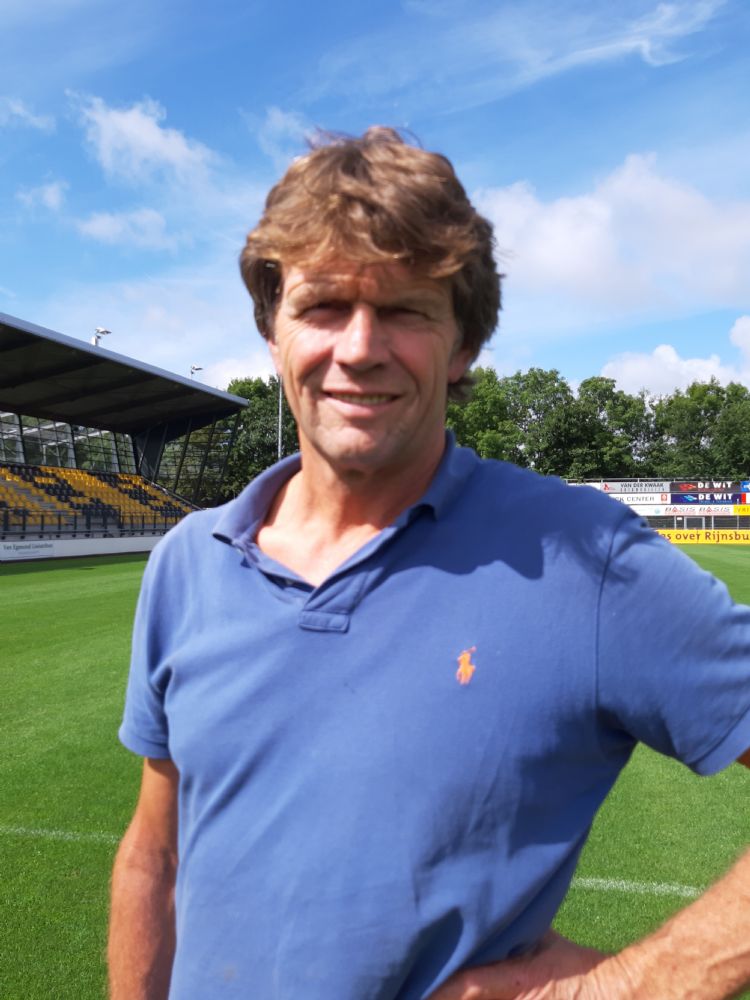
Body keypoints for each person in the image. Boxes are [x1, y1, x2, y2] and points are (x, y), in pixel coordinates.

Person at [109, 127, 750, 1000]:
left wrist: (630, 985)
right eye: (323, 305)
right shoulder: (188, 563)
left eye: (406, 309)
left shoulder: (583, 556)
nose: (359, 347)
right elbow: (156, 854)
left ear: (463, 344)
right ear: (272, 329)